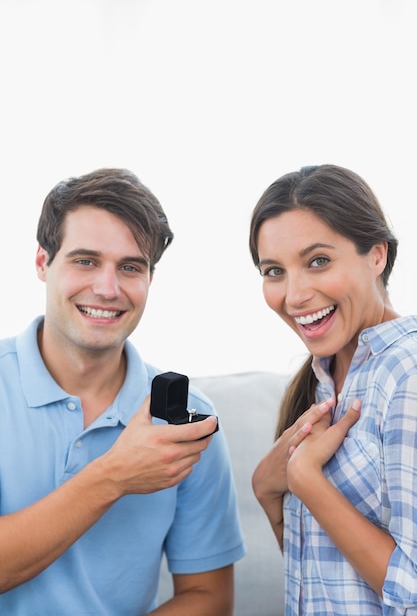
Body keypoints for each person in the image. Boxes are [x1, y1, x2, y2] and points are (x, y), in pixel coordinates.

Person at [0, 168, 245, 615]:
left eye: (130, 267)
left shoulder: (190, 421)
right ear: (42, 262)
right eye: (85, 261)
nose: (107, 289)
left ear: (150, 278)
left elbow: (209, 597)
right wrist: (114, 476)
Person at [249, 164, 417, 615]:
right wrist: (267, 489)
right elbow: (324, 578)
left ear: (377, 255)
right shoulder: (322, 379)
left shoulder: (406, 377)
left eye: (318, 261)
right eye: (274, 271)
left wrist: (307, 482)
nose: (295, 294)